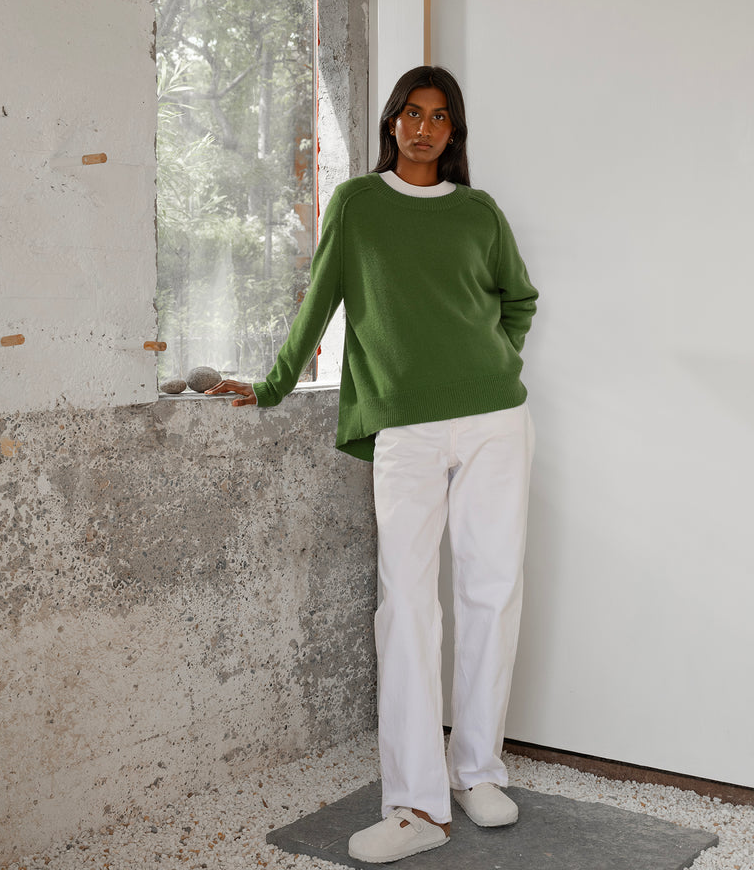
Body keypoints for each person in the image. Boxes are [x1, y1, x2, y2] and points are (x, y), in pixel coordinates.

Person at [206, 66, 538, 863]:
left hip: (495, 419)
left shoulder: (478, 212)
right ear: (392, 123)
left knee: (492, 592)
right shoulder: (357, 204)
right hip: (406, 432)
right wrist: (274, 383)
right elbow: (320, 297)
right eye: (411, 114)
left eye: (440, 117)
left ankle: (479, 772)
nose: (424, 128)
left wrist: (489, 361)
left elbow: (518, 300)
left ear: (454, 133)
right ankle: (417, 807)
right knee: (407, 607)